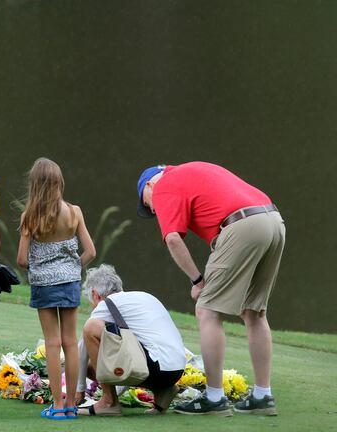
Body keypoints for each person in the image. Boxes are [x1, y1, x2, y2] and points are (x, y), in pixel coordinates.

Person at [136, 162, 285, 416]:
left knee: (207, 311)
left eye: (147, 203)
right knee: (254, 312)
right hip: (273, 221)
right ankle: (263, 395)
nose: (152, 209)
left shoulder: (163, 186)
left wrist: (197, 281)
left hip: (241, 226)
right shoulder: (190, 171)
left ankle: (214, 398)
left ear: (149, 184)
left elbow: (172, 238)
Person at [16, 158, 96, 420]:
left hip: (43, 286)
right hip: (70, 282)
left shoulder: (30, 217)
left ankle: (58, 406)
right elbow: (90, 251)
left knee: (52, 343)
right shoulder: (74, 212)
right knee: (71, 342)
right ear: (59, 183)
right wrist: (73, 268)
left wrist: (40, 267)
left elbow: (21, 259)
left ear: (35, 185)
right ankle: (72, 405)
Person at [75, 264, 186, 416]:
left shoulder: (106, 304)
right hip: (175, 371)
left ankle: (108, 402)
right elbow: (132, 351)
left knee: (91, 327)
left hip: (154, 367)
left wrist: (79, 391)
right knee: (103, 357)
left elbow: (81, 352)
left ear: (95, 294)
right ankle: (163, 390)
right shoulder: (144, 297)